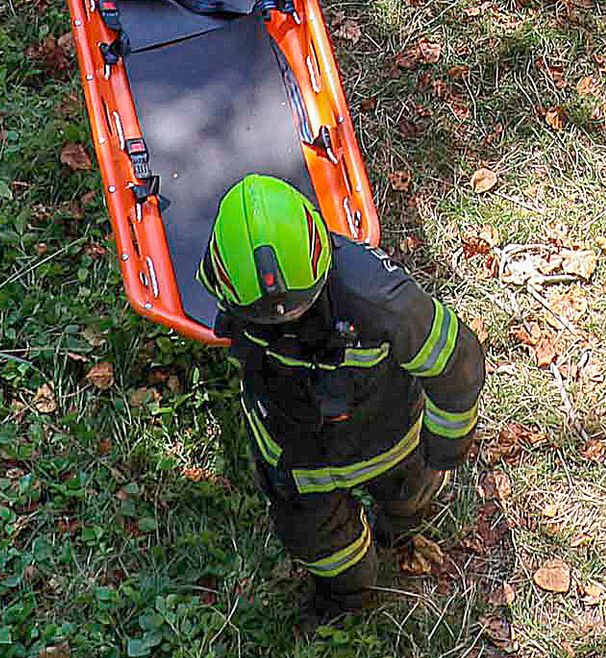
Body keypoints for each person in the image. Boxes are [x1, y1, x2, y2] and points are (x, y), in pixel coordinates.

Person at [203, 171, 485, 617]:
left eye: (301, 306)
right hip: (297, 463)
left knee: (409, 504)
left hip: (391, 442)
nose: (287, 322)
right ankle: (350, 598)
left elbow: (457, 362)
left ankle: (398, 535)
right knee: (326, 550)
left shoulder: (380, 301)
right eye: (268, 318)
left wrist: (447, 447)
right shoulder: (227, 280)